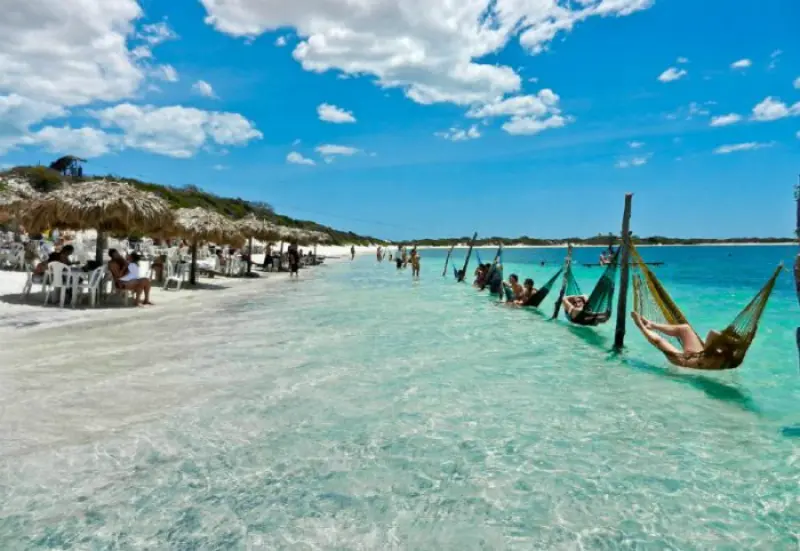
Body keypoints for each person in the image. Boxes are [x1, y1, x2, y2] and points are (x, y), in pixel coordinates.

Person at [631, 312, 727, 369]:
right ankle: (652, 324)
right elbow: (713, 334)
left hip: (683, 361)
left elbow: (712, 333)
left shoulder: (714, 356)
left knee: (659, 341)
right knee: (685, 328)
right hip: (696, 355)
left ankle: (641, 326)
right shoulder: (720, 353)